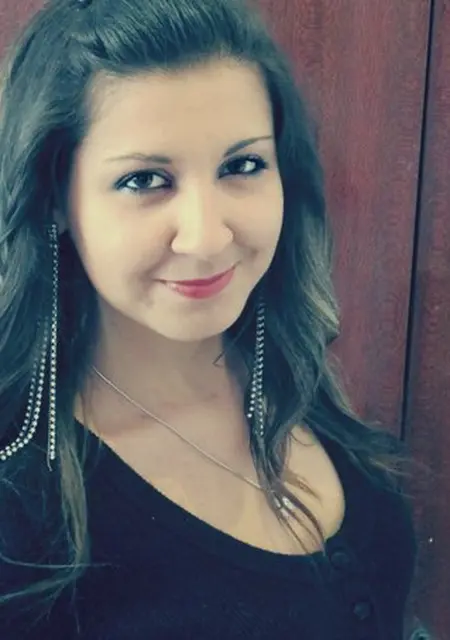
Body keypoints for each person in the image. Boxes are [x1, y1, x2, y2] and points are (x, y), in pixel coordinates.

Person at [0, 0, 417, 638]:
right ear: (55, 198)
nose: (207, 236)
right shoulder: (18, 492)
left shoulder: (293, 373)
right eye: (145, 180)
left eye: (242, 166)